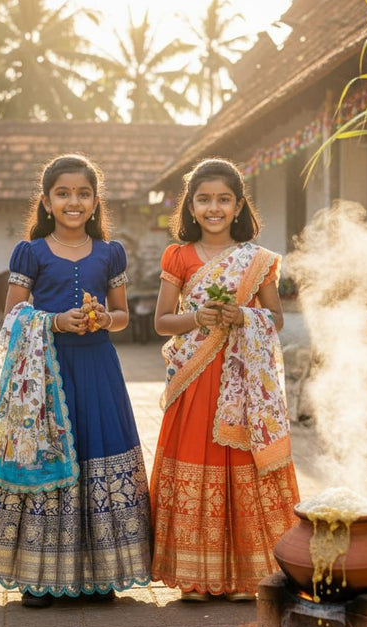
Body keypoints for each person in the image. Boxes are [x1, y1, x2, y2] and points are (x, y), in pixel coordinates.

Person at [0, 153, 152, 607]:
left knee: (100, 453)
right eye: (63, 193)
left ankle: (100, 573)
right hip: (45, 375)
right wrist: (53, 322)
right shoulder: (29, 252)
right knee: (45, 456)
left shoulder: (111, 252)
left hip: (98, 371)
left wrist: (100, 318)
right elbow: (13, 315)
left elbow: (123, 317)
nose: (74, 201)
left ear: (95, 202)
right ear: (47, 201)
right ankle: (38, 576)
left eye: (83, 193)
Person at [150, 158, 301, 602]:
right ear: (190, 206)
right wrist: (198, 316)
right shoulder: (177, 255)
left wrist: (245, 316)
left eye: (223, 199)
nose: (213, 208)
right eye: (204, 200)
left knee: (239, 464)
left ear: (238, 206)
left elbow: (275, 320)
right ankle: (195, 577)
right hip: (194, 379)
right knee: (196, 457)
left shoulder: (257, 260)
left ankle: (245, 576)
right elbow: (162, 322)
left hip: (242, 382)